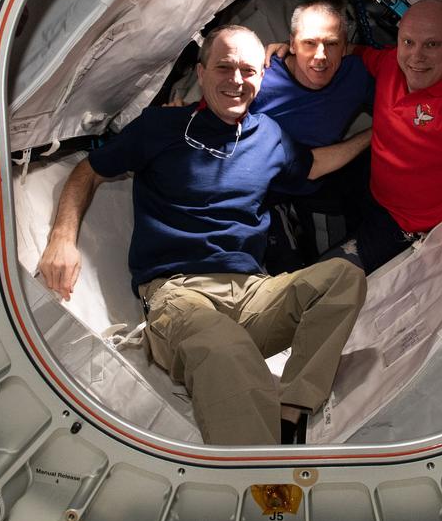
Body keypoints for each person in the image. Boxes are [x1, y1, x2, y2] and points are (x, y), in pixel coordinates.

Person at [36, 25, 369, 446]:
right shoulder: (161, 126)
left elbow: (314, 164)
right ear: (202, 71)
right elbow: (89, 170)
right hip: (177, 295)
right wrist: (62, 239)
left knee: (343, 276)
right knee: (223, 345)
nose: (236, 80)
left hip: (252, 294)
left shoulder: (269, 135)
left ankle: (292, 410)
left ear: (261, 79)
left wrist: (374, 134)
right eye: (224, 67)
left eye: (248, 70)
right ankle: (262, 485)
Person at [271, 0, 442, 284]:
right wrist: (295, 51)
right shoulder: (392, 62)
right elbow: (353, 51)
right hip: (372, 181)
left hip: (399, 223)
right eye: (408, 42)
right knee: (308, 190)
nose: (416, 57)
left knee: (316, 285)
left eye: (432, 45)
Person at [250, 1, 375, 270]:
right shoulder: (261, 78)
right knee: (286, 271)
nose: (321, 56)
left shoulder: (354, 75)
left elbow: (403, 63)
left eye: (331, 44)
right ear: (292, 44)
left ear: (345, 47)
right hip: (266, 191)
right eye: (309, 43)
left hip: (318, 183)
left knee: (336, 263)